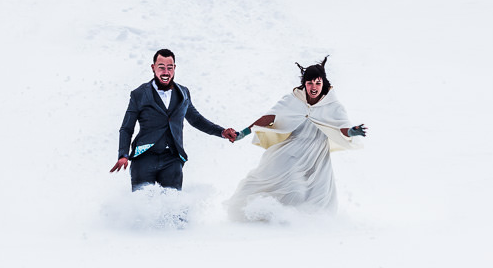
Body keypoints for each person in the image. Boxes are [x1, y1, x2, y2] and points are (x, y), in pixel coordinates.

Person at [225, 56, 367, 218]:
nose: (314, 87)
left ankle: (302, 225)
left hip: (317, 156)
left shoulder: (333, 105)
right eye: (310, 83)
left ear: (324, 84)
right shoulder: (293, 99)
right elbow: (269, 117)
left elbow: (342, 126)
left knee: (317, 194)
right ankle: (263, 216)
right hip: (291, 151)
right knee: (289, 186)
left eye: (318, 83)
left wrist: (351, 132)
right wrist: (242, 133)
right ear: (304, 84)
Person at [111, 49, 239, 191]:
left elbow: (196, 120)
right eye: (161, 67)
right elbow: (127, 128)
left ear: (174, 68)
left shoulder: (183, 93)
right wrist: (123, 155)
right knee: (143, 207)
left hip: (172, 159)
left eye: (169, 68)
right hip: (144, 157)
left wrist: (221, 132)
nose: (165, 72)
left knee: (173, 208)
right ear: (153, 68)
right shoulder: (139, 94)